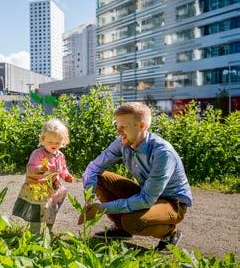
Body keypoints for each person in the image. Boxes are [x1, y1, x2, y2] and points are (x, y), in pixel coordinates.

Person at [78, 102, 193, 251]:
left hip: (172, 203)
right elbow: (93, 168)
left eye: (123, 126)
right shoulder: (122, 142)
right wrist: (90, 197)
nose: (118, 131)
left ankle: (170, 233)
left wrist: (102, 208)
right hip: (147, 192)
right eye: (117, 125)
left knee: (132, 221)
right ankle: (122, 229)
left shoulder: (163, 153)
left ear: (141, 126)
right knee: (100, 177)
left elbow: (147, 200)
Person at [12, 119, 74, 235]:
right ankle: (34, 233)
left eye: (58, 142)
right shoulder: (38, 153)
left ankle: (47, 232)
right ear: (43, 139)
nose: (54, 145)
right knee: (37, 212)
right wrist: (41, 168)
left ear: (63, 141)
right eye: (50, 141)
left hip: (53, 189)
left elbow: (62, 169)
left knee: (51, 210)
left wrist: (66, 176)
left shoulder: (60, 155)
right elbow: (31, 169)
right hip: (38, 189)